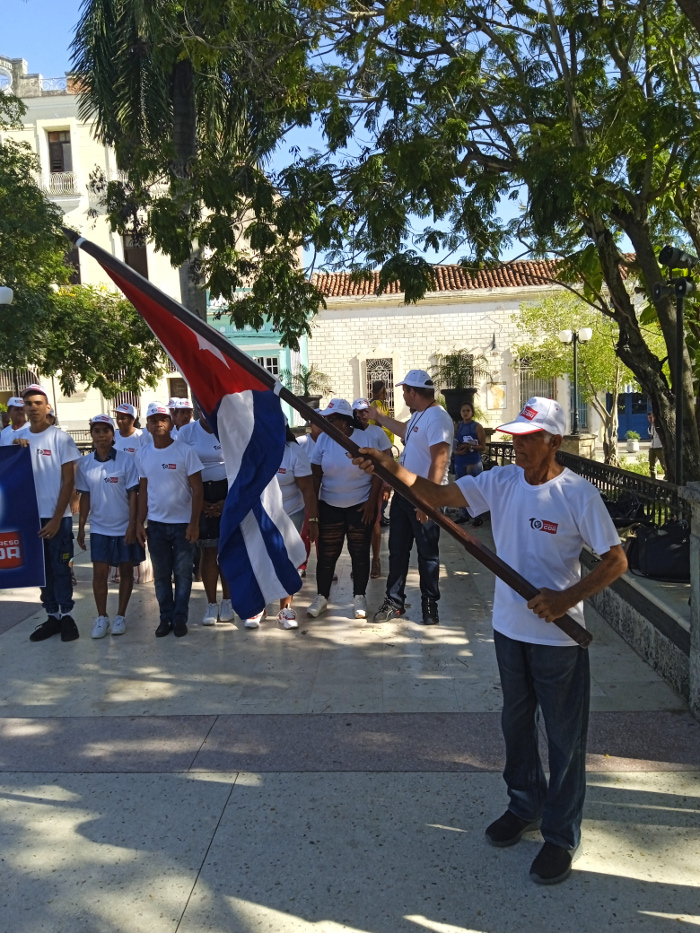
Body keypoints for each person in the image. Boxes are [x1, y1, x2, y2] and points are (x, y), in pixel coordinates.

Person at [353, 396, 627, 884]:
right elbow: (436, 495)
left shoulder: (577, 494)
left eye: (529, 438)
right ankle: (524, 805)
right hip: (508, 629)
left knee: (564, 737)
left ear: (554, 441)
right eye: (515, 437)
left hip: (558, 640)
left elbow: (616, 561)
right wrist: (389, 466)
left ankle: (561, 834)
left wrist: (566, 598)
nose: (518, 446)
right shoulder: (501, 482)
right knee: (515, 724)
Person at [368, 369, 453, 625]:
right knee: (397, 550)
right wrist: (379, 417)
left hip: (424, 497)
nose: (403, 395)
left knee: (427, 555)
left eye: (404, 391)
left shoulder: (438, 418)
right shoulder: (419, 415)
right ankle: (394, 601)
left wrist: (428, 501)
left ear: (413, 392)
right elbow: (404, 430)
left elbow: (439, 461)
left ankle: (429, 604)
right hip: (404, 494)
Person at [307, 398, 391, 619]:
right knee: (327, 554)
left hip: (360, 505)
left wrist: (371, 502)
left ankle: (359, 597)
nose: (325, 423)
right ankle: (321, 597)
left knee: (359, 553)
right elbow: (315, 474)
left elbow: (377, 473)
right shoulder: (323, 440)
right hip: (330, 505)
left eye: (330, 419)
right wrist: (314, 511)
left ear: (344, 421)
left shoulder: (365, 439)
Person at [13, 384, 81, 642]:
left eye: (38, 403)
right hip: (29, 519)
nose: (33, 408)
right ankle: (52, 616)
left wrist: (56, 518)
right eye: (28, 403)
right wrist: (15, 450)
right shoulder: (16, 440)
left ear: (48, 407)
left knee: (61, 568)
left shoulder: (60, 439)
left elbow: (69, 481)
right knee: (42, 572)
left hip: (57, 518)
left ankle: (67, 617)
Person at [135, 402, 203, 637]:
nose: (159, 424)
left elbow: (198, 489)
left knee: (183, 575)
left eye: (163, 419)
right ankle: (165, 618)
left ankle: (180, 618)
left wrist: (194, 523)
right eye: (153, 420)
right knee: (162, 576)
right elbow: (143, 491)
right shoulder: (142, 454)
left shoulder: (185, 451)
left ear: (171, 423)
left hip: (183, 524)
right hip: (156, 526)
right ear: (147, 425)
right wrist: (139, 523)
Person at [75, 414, 145, 637]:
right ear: (91, 435)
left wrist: (132, 525)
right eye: (97, 431)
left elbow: (133, 494)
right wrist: (82, 527)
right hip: (99, 528)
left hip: (123, 527)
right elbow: (85, 497)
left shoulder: (126, 460)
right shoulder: (85, 464)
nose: (101, 435)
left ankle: (120, 616)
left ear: (112, 435)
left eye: (106, 431)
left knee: (126, 571)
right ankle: (102, 617)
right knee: (99, 573)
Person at [177, 413, 235, 626]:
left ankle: (227, 601)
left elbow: (240, 464)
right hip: (198, 493)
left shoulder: (229, 428)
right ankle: (211, 603)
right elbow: (181, 467)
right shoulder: (187, 432)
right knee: (208, 551)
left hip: (227, 493)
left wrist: (227, 501)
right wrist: (198, 502)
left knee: (227, 551)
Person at [271, 423, 319, 629]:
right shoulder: (255, 449)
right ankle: (258, 608)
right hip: (263, 514)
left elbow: (308, 489)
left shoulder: (294, 452)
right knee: (261, 558)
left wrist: (313, 520)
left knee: (287, 560)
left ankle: (286, 609)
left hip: (291, 512)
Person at [353, 398, 392, 579]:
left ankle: (375, 560)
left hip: (375, 482)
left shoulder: (377, 432)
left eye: (366, 411)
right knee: (356, 524)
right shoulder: (350, 432)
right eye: (359, 411)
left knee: (374, 522)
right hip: (354, 484)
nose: (363, 415)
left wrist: (387, 486)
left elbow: (387, 460)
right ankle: (359, 562)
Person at [453, 400, 486, 524]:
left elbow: (483, 446)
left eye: (468, 410)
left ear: (472, 412)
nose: (465, 413)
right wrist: (456, 451)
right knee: (461, 489)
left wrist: (470, 446)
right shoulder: (457, 426)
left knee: (475, 489)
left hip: (473, 462)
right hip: (460, 461)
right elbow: (452, 443)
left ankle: (478, 516)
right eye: (463, 411)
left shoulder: (477, 427)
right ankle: (464, 514)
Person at [648, 412, 666, 479]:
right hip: (652, 447)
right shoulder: (650, 427)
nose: (650, 419)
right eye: (649, 418)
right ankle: (653, 478)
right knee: (651, 464)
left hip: (659, 447)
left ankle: (667, 476)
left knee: (663, 464)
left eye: (651, 417)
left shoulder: (659, 426)